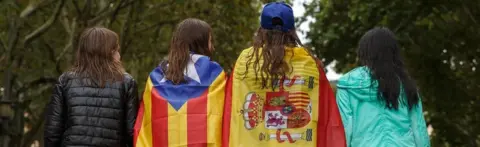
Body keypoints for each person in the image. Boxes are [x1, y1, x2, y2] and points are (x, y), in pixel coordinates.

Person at [222, 2, 346, 147]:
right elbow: (327, 117)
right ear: (292, 30)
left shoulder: (245, 61)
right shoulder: (309, 64)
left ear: (262, 29)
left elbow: (231, 110)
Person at [134, 18, 226, 147]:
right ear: (201, 43)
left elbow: (146, 123)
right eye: (210, 41)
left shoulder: (155, 77)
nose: (213, 47)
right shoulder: (215, 73)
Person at [44, 27, 139, 147]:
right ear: (109, 52)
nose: (119, 56)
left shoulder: (65, 81)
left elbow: (52, 132)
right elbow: (132, 133)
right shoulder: (127, 83)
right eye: (116, 51)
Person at [335, 27, 430, 147]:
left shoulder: (348, 84)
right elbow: (419, 129)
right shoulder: (406, 84)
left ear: (364, 52)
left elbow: (344, 129)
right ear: (394, 52)